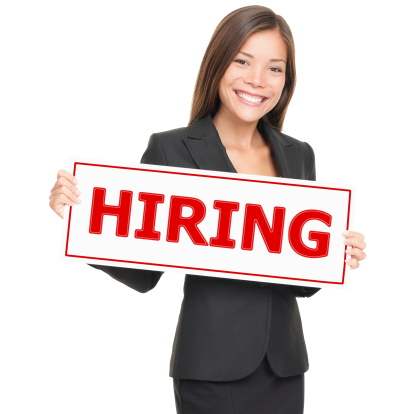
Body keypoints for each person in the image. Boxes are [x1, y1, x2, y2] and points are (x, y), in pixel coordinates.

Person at [49, 5, 366, 414]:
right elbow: (144, 273)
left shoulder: (298, 154)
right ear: (218, 63)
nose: (257, 80)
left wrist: (336, 254)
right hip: (210, 367)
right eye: (242, 61)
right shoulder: (172, 149)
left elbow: (300, 281)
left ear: (287, 80)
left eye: (275, 68)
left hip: (284, 367)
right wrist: (79, 219)